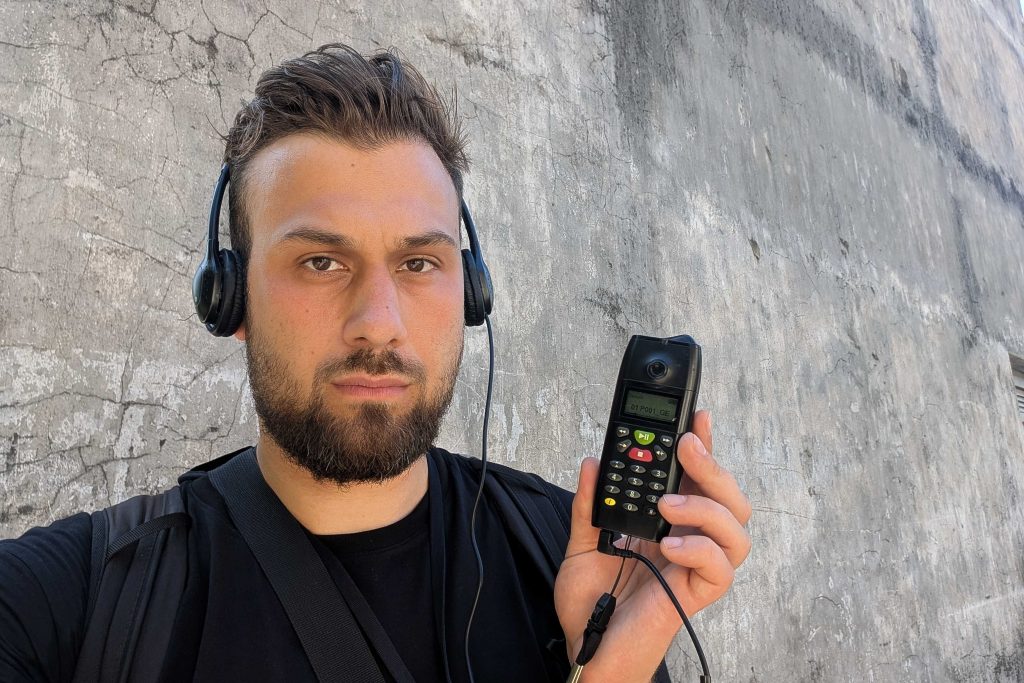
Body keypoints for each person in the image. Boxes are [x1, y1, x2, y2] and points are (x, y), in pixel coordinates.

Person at [0, 43, 751, 682]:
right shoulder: (75, 602)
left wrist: (614, 662)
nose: (379, 325)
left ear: (470, 293)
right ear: (231, 300)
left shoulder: (573, 556)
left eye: (419, 263)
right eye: (321, 261)